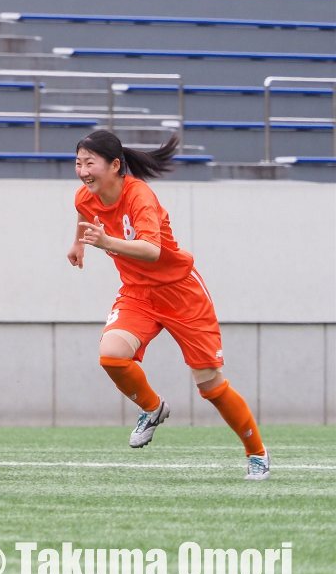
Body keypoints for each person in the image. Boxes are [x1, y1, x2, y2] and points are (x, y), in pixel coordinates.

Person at [69, 130, 269, 479]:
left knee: (211, 386)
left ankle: (257, 453)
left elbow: (153, 250)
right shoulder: (85, 196)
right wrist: (79, 245)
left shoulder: (139, 195)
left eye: (90, 163)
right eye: (78, 162)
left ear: (115, 165)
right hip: (137, 292)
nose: (83, 170)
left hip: (181, 293)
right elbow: (84, 214)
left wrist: (106, 241)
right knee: (111, 355)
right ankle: (152, 408)